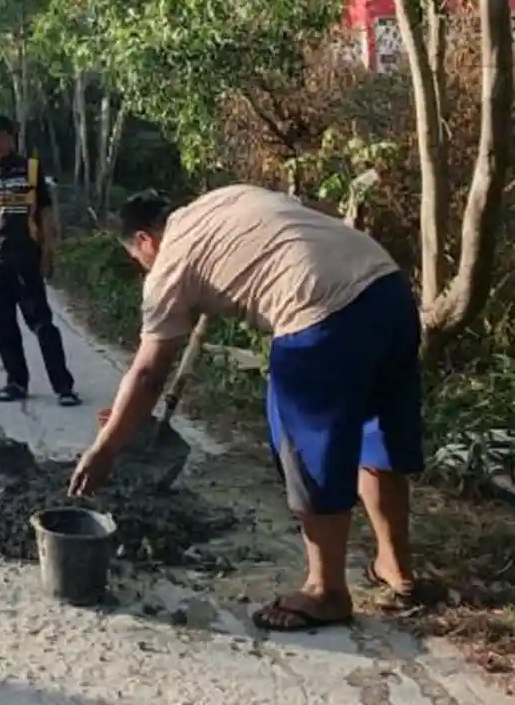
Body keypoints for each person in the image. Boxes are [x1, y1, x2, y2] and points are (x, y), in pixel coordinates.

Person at [70, 185, 423, 632]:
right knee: (376, 431)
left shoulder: (168, 267)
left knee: (307, 450)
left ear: (145, 240)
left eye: (137, 259)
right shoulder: (223, 200)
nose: (143, 268)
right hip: (387, 288)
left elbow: (147, 374)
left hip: (318, 312)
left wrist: (105, 449)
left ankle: (326, 590)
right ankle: (396, 567)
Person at [0, 115, 81, 407]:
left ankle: (63, 387)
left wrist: (50, 251)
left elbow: (47, 214)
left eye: (4, 137)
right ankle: (16, 383)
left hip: (26, 257)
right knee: (3, 325)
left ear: (14, 137)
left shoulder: (31, 169)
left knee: (42, 324)